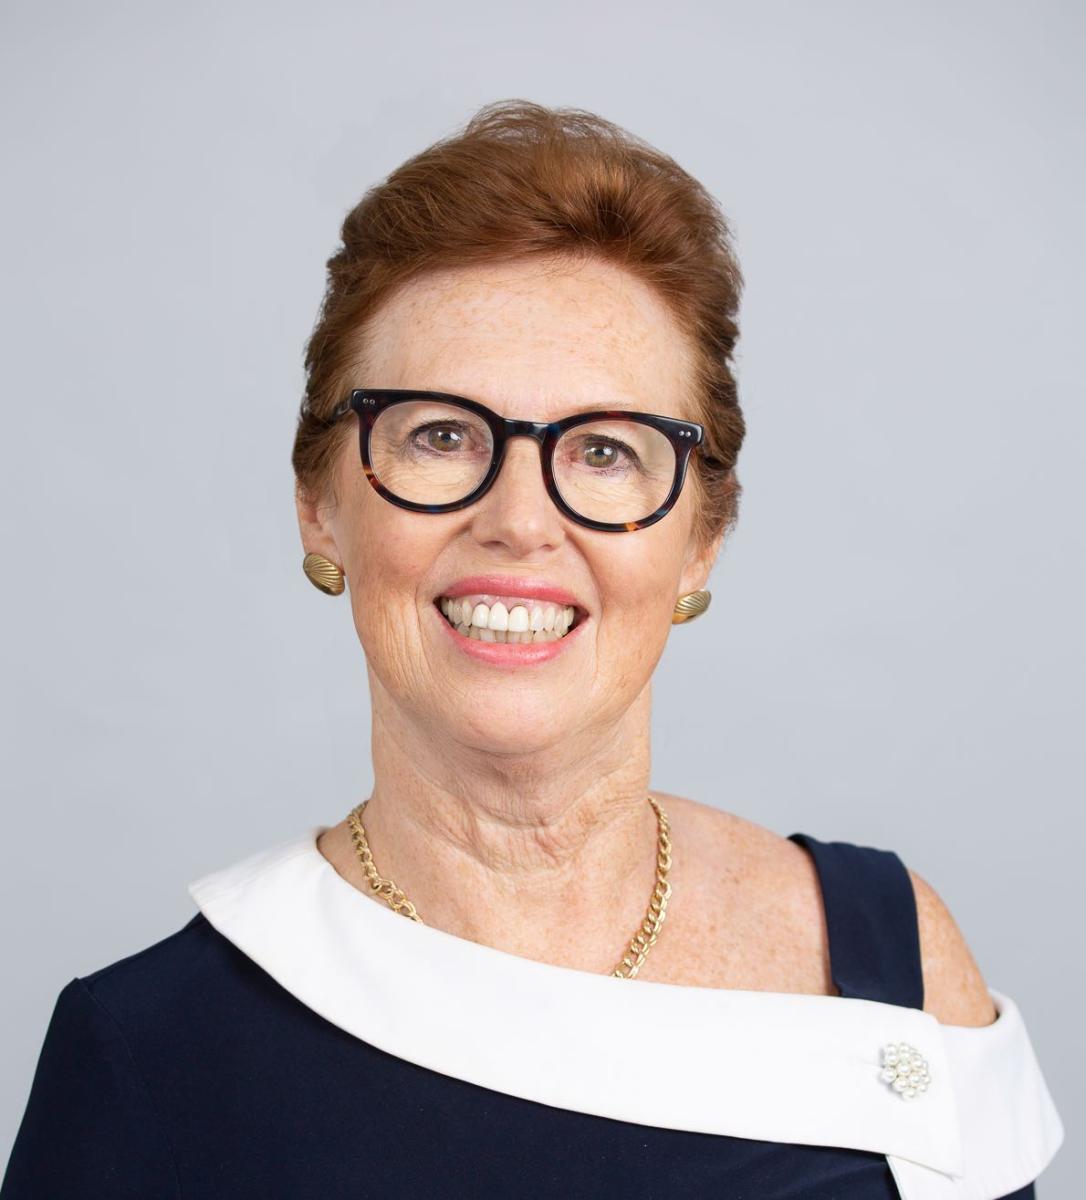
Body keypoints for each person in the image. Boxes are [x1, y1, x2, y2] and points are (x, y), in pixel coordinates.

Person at [1, 99, 1063, 1200]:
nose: (519, 520)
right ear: (321, 508)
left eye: (606, 450)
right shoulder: (147, 1056)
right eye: (441, 436)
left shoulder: (893, 959)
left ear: (701, 538)